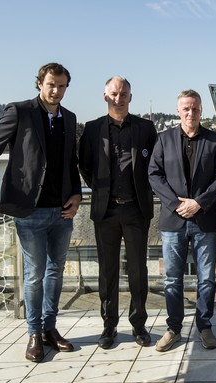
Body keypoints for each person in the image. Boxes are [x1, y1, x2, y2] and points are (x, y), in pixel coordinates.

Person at [0, 63, 81, 362]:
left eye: (61, 85)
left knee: (55, 272)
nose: (56, 90)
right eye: (51, 84)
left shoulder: (69, 118)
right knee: (34, 275)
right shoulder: (19, 111)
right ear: (39, 84)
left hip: (62, 210)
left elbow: (70, 162)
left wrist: (75, 194)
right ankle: (34, 333)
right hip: (28, 209)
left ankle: (49, 328)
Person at [79, 76, 157, 349]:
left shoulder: (146, 128)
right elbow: (85, 166)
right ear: (105, 96)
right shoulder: (92, 129)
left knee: (138, 271)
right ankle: (109, 326)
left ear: (130, 97)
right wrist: (102, 191)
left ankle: (138, 325)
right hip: (106, 211)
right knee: (107, 271)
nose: (119, 97)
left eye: (124, 93)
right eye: (114, 93)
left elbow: (153, 166)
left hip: (137, 210)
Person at [148, 89, 216, 352]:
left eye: (194, 108)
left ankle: (204, 327)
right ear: (178, 110)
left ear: (201, 110)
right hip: (174, 221)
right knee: (172, 279)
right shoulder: (164, 139)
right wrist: (177, 204)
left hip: (204, 219)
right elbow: (154, 175)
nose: (190, 113)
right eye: (185, 108)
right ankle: (173, 329)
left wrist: (199, 203)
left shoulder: (215, 140)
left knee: (206, 279)